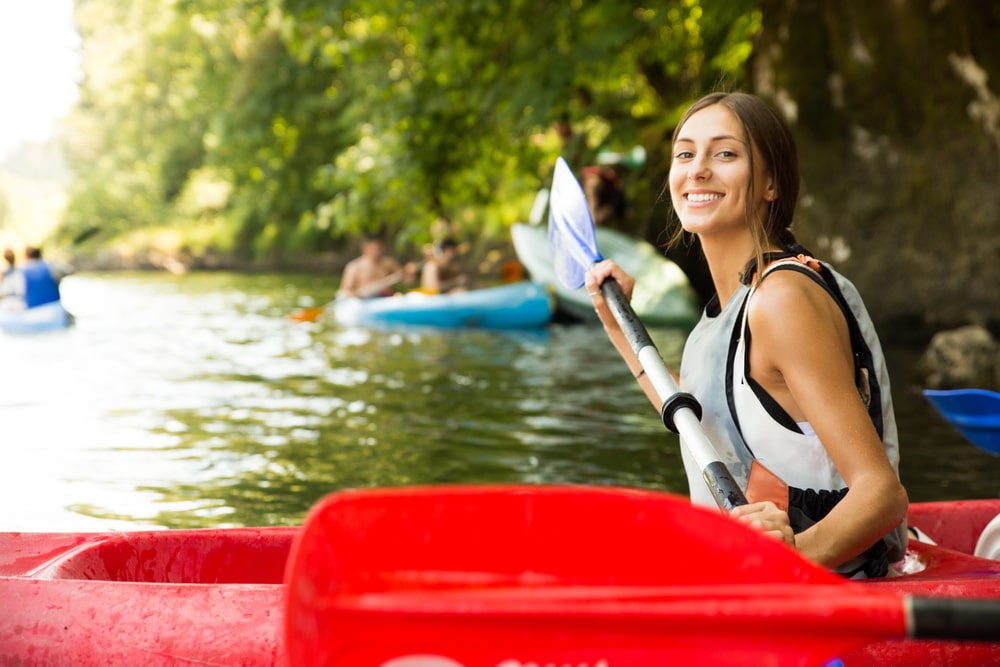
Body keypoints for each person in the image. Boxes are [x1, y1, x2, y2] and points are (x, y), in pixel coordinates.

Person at [585, 91, 908, 578]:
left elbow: (881, 495)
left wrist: (789, 558)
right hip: (746, 584)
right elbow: (704, 426)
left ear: (771, 184)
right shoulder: (724, 312)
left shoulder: (781, 300)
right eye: (685, 154)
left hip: (827, 596)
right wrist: (618, 325)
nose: (697, 170)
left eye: (726, 154)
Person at [338, 231, 406, 299]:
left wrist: (410, 272)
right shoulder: (354, 267)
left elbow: (406, 278)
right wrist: (359, 294)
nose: (380, 251)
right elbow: (346, 291)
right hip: (365, 300)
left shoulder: (388, 263)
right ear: (366, 248)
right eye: (376, 248)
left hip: (385, 298)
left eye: (380, 248)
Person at [4, 246, 70, 309]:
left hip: (35, 310)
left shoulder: (21, 273)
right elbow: (67, 272)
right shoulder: (50, 265)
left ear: (27, 257)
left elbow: (15, 291)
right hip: (56, 305)